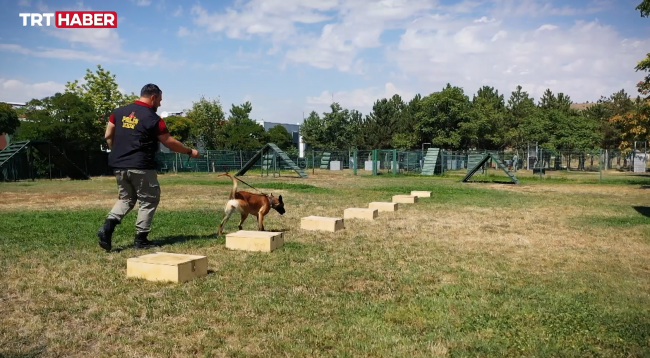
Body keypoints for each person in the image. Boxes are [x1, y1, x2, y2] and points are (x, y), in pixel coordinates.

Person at [96, 84, 199, 252]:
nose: (159, 104)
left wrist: (117, 151)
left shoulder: (118, 112)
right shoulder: (153, 118)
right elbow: (168, 141)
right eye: (159, 100)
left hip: (119, 164)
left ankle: (107, 227)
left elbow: (108, 135)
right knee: (149, 199)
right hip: (141, 165)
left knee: (126, 199)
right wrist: (189, 151)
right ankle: (141, 239)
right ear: (153, 97)